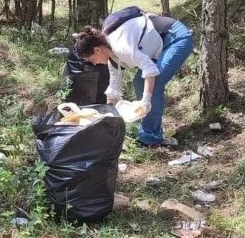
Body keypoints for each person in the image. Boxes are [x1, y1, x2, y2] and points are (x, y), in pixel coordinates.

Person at [74, 8, 193, 147]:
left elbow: (149, 69)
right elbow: (113, 89)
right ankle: (149, 134)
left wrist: (146, 101)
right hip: (158, 46)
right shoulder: (113, 59)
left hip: (175, 37)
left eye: (92, 59)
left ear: (97, 50)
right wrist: (108, 118)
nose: (94, 63)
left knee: (154, 83)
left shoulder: (121, 48)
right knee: (140, 82)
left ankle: (150, 139)